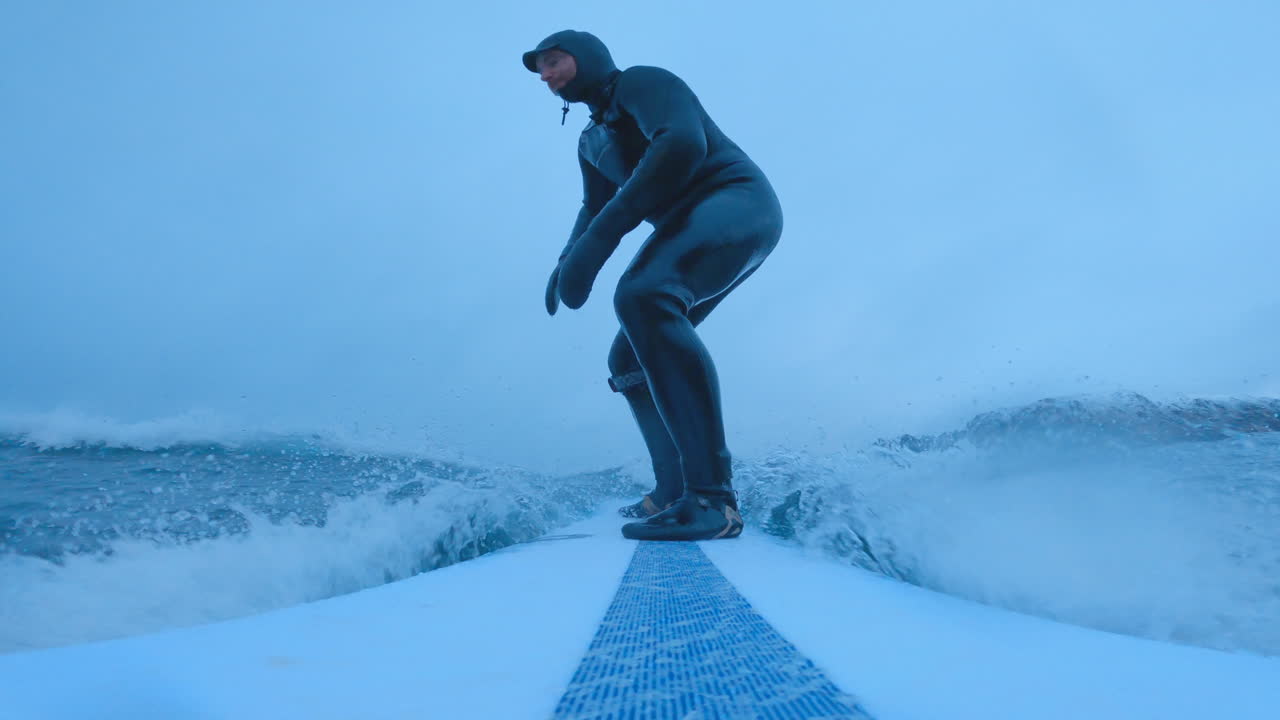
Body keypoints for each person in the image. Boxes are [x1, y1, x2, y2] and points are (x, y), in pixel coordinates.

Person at [523, 30, 783, 541]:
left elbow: (682, 143)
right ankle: (675, 488)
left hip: (736, 202)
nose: (547, 76)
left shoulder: (641, 83)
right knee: (627, 359)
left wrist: (600, 242)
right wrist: (566, 261)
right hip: (690, 225)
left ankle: (712, 501)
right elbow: (593, 207)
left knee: (643, 294)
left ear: (589, 56)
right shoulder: (590, 139)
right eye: (541, 71)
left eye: (555, 61)